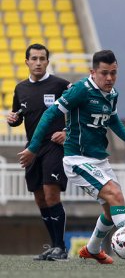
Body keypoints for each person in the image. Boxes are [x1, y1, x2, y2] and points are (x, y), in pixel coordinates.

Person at [18, 49, 125, 266]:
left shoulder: (112, 94)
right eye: (104, 73)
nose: (110, 78)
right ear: (92, 72)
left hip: (99, 160)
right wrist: (34, 148)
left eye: (113, 73)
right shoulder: (80, 90)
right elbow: (50, 114)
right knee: (115, 196)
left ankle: (92, 250)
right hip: (77, 160)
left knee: (111, 209)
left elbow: (112, 119)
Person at [7, 44, 71, 261]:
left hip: (54, 145)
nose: (38, 62)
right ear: (26, 62)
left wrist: (66, 131)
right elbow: (20, 116)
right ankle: (54, 246)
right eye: (33, 58)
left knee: (51, 193)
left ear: (47, 61)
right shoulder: (20, 88)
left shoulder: (61, 85)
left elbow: (81, 110)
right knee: (39, 198)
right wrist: (14, 120)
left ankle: (61, 247)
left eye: (42, 58)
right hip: (32, 148)